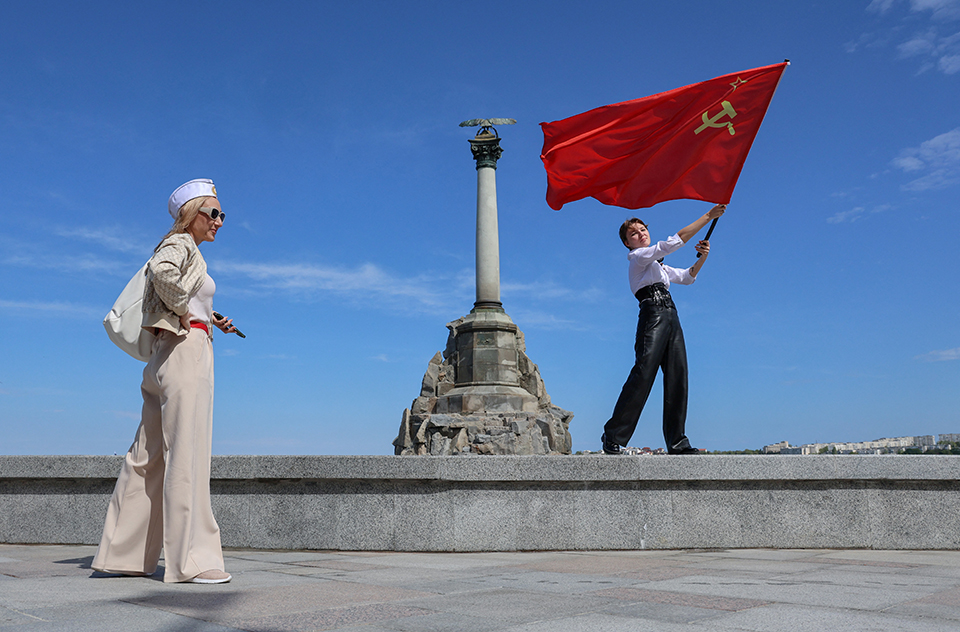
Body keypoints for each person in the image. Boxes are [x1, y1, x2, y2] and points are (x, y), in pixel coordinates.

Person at [92, 178, 238, 583]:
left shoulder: (184, 249)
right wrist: (186, 307)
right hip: (186, 353)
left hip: (164, 355)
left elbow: (175, 291)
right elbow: (163, 273)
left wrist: (211, 317)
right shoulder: (180, 246)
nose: (220, 222)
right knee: (187, 453)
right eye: (213, 213)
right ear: (191, 215)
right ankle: (191, 560)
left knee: (147, 454)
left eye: (222, 214)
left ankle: (123, 554)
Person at [601, 204, 726, 455]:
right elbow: (673, 243)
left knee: (677, 376)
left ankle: (677, 442)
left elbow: (688, 277)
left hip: (671, 314)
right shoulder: (638, 258)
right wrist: (707, 216)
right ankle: (613, 436)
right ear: (627, 243)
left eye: (643, 228)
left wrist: (702, 257)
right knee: (644, 372)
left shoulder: (658, 268)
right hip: (653, 315)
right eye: (633, 233)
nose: (640, 233)